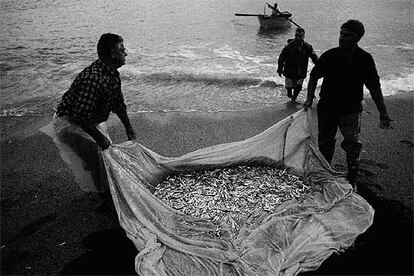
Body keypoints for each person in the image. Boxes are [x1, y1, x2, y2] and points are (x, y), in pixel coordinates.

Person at [41, 33, 136, 209]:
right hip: (69, 124)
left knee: (103, 158)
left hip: (89, 119)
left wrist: (128, 127)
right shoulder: (93, 78)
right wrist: (99, 138)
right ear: (112, 54)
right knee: (98, 158)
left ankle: (107, 193)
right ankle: (106, 201)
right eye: (122, 50)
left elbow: (118, 104)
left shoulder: (112, 74)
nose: (126, 53)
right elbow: (79, 116)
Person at [303, 19, 392, 189]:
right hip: (327, 108)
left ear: (357, 38)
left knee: (352, 145)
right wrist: (309, 98)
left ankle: (352, 178)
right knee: (326, 143)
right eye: (341, 34)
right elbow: (314, 76)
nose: (342, 38)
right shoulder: (330, 55)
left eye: (347, 35)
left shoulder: (365, 59)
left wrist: (383, 112)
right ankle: (325, 174)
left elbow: (374, 87)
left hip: (350, 111)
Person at [277, 28, 318, 103]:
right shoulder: (288, 46)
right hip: (289, 70)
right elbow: (281, 58)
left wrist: (320, 66)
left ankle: (294, 99)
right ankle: (289, 91)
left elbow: (314, 57)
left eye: (300, 36)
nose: (298, 38)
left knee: (298, 87)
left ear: (303, 36)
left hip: (301, 70)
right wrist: (280, 69)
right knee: (289, 86)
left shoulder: (308, 47)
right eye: (297, 36)